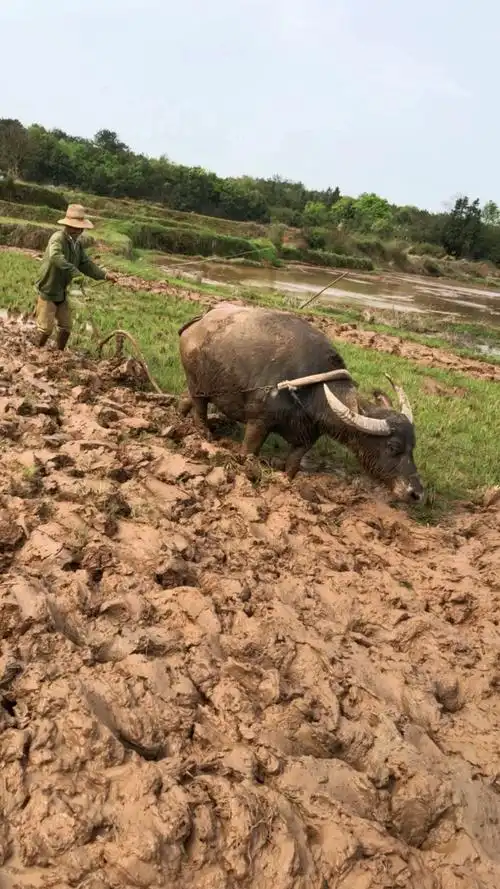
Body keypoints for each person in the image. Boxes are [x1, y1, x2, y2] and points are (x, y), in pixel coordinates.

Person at [34, 203, 118, 350]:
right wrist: (74, 271)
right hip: (48, 288)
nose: (77, 230)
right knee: (45, 328)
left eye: (80, 228)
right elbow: (55, 256)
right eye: (74, 227)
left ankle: (59, 354)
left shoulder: (77, 245)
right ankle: (35, 350)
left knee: (66, 326)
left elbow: (86, 264)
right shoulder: (57, 238)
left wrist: (105, 275)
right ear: (68, 226)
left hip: (61, 291)